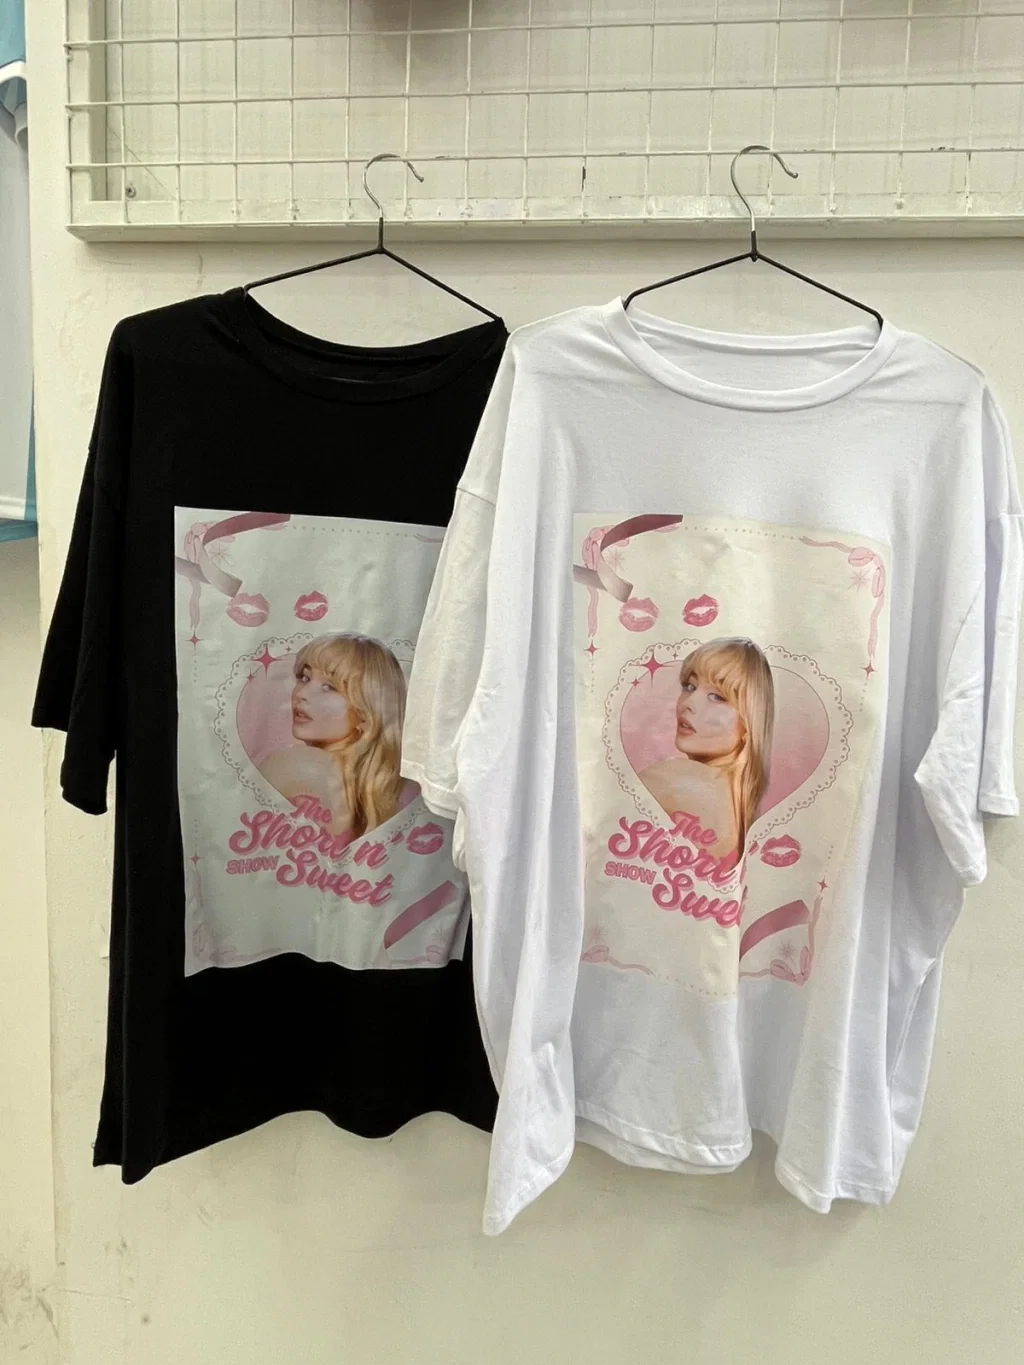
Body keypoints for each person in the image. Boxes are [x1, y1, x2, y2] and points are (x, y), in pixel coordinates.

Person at [639, 637, 774, 864]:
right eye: (689, 686)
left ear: (748, 723)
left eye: (717, 697)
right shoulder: (744, 810)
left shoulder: (671, 778)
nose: (688, 703)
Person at [259, 633, 407, 838]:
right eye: (304, 678)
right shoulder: (378, 792)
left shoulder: (295, 765)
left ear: (365, 715)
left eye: (329, 687)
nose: (301, 694)